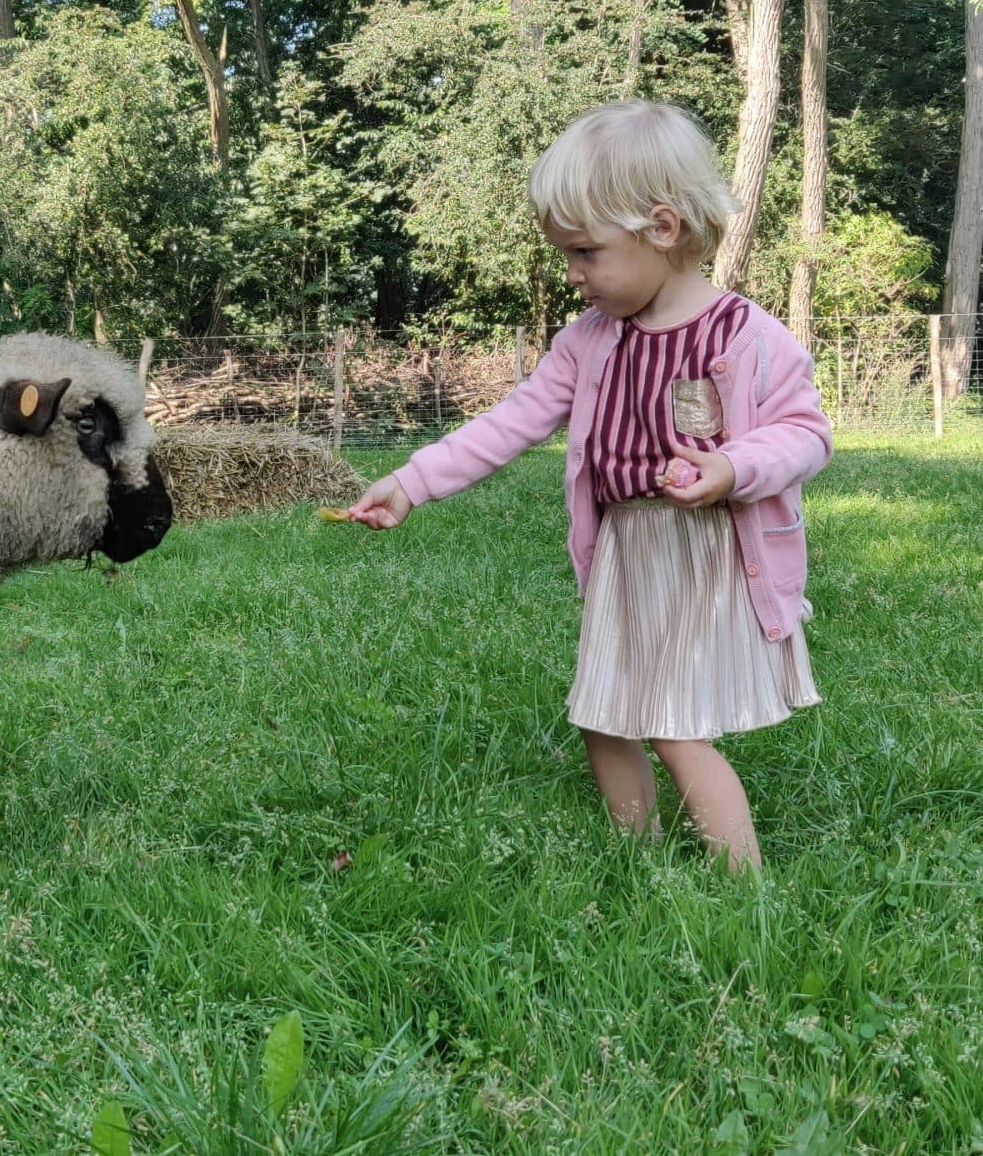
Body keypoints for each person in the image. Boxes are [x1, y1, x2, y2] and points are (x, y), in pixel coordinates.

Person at [343, 100, 832, 869]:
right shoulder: (588, 341)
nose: (572, 275)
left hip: (703, 553)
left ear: (662, 229)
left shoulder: (746, 336)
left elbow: (807, 434)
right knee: (603, 710)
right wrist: (412, 482)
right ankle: (634, 854)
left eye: (584, 252)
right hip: (627, 552)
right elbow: (510, 422)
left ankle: (744, 886)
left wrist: (732, 467)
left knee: (674, 725)